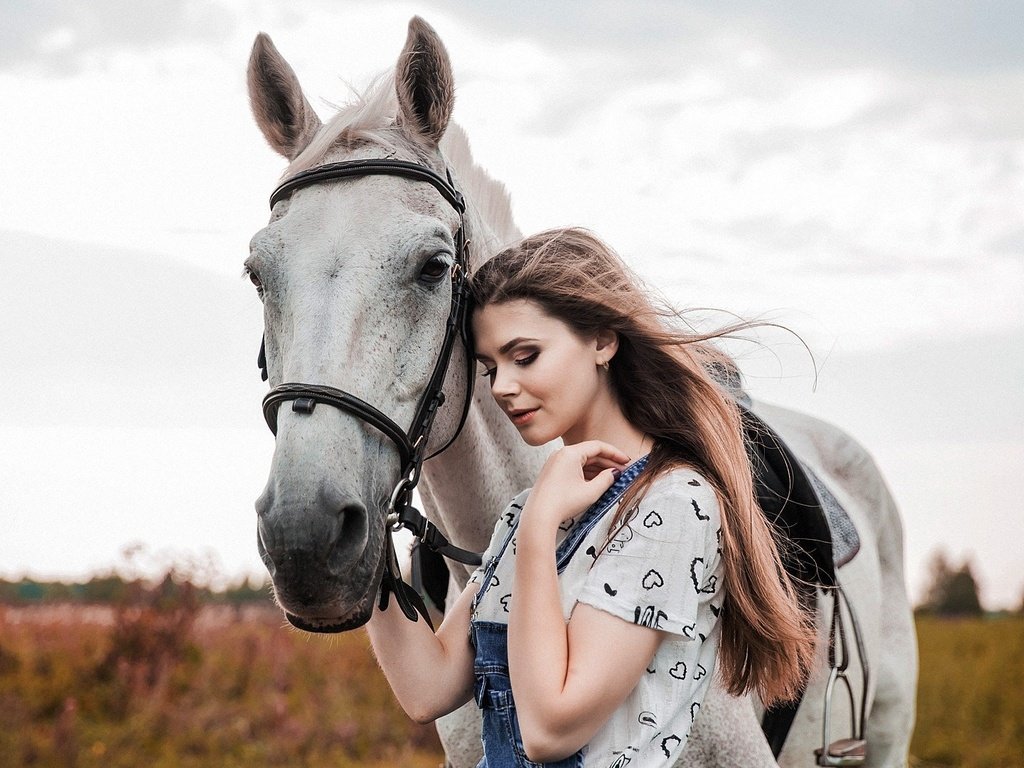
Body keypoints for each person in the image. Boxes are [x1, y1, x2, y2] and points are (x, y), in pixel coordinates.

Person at [366, 228, 816, 767]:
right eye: (490, 368)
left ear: (602, 341)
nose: (502, 386)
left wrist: (537, 531)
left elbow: (550, 729)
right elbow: (428, 688)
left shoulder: (672, 505)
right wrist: (362, 541)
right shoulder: (531, 511)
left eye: (525, 356)